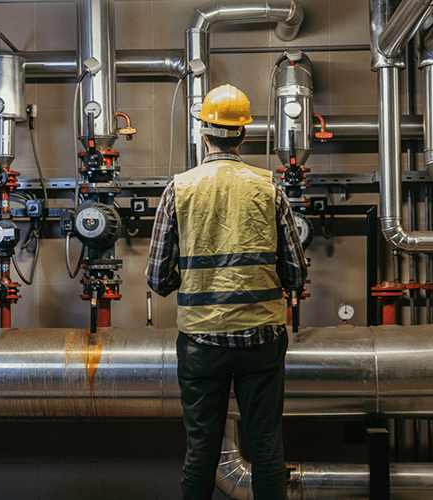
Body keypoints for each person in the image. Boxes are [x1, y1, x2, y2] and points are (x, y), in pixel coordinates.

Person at [146, 84, 308, 500]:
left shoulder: (178, 189)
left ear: (204, 132)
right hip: (262, 338)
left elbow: (157, 278)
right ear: (243, 135)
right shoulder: (269, 187)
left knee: (201, 453)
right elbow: (295, 271)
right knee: (267, 450)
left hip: (201, 342)